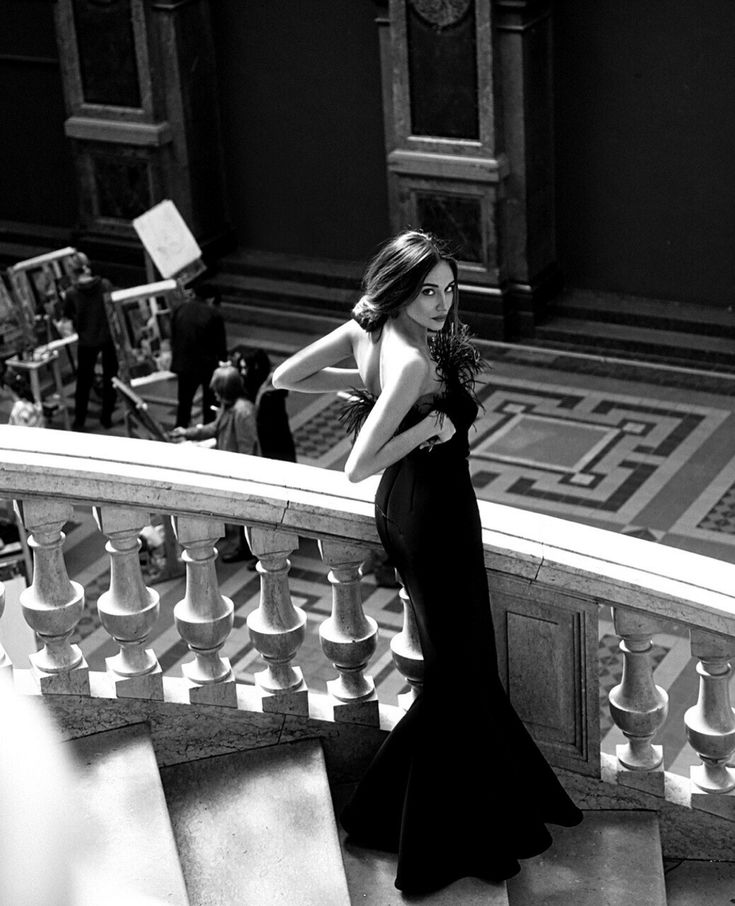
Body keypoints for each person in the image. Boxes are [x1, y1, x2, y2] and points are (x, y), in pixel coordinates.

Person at [272, 230, 583, 895]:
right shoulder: (410, 360)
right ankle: (420, 831)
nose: (441, 303)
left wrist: (365, 384)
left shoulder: (369, 332)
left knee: (461, 670)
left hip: (413, 509)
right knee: (461, 672)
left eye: (448, 289)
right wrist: (420, 426)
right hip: (432, 517)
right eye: (426, 291)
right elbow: (356, 465)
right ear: (398, 289)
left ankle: (406, 809)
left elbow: (284, 376)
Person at [170, 364, 258, 564]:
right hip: (230, 468)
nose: (215, 396)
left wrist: (243, 476)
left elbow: (247, 448)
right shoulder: (230, 407)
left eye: (218, 392)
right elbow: (215, 427)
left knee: (247, 515)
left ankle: (248, 550)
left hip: (241, 473)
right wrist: (188, 432)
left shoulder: (243, 412)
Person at [62, 259, 117, 430]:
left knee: (83, 382)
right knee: (111, 378)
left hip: (86, 341)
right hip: (107, 338)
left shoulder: (71, 293)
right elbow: (114, 307)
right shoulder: (105, 285)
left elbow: (67, 318)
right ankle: (106, 417)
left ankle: (79, 421)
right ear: (87, 267)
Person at [170, 283, 227, 429]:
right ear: (211, 299)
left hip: (183, 363)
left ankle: (180, 431)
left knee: (184, 402)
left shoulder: (180, 309)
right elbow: (220, 345)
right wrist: (224, 363)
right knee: (209, 403)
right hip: (206, 366)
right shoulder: (213, 315)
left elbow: (173, 335)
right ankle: (208, 431)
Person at [236, 347, 297, 462]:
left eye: (245, 368)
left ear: (255, 367)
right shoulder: (265, 388)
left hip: (273, 446)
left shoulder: (269, 395)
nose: (242, 373)